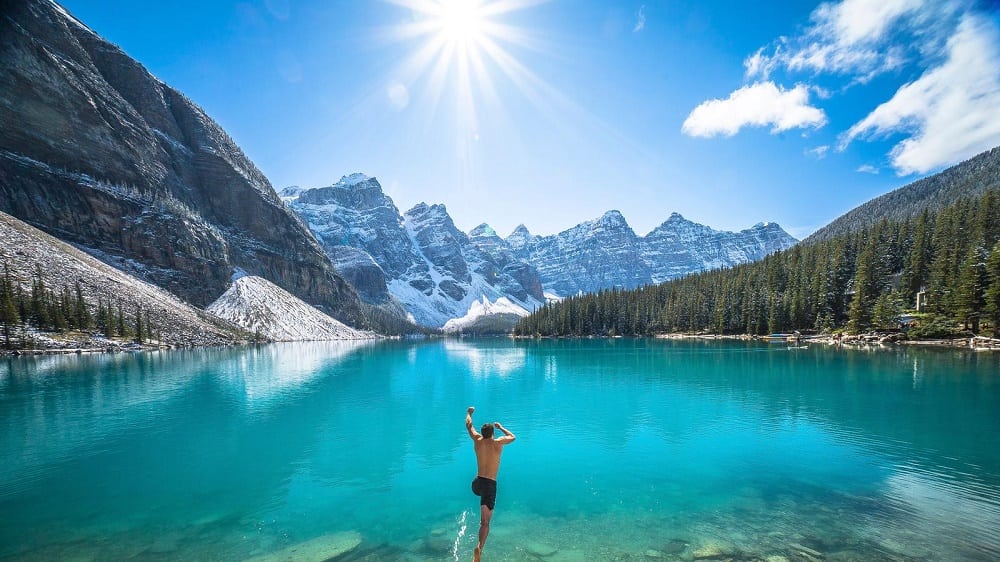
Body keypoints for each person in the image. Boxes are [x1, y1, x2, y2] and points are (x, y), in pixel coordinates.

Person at [465, 406, 515, 562]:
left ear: (483, 433)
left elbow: (469, 425)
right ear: (492, 433)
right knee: (485, 523)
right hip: (489, 486)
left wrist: (469, 412)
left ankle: (479, 549)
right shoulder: (498, 443)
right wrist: (501, 428)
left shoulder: (477, 440)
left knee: (482, 497)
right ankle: (479, 549)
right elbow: (513, 437)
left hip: (477, 484)